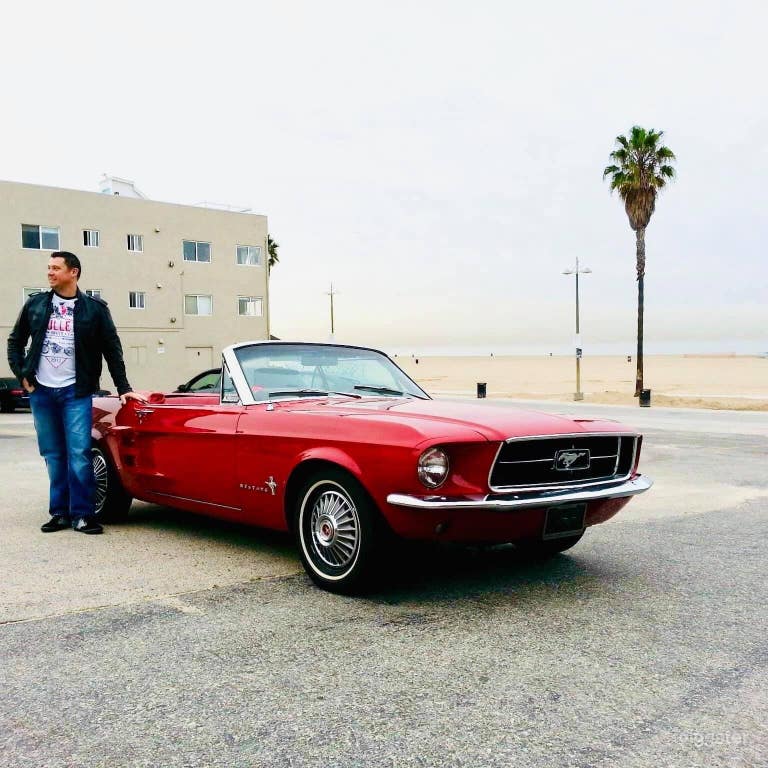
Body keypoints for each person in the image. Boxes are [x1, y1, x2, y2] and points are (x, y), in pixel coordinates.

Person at [7, 251, 145, 534]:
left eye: (56, 268)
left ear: (74, 272)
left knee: (79, 453)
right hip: (42, 391)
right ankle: (59, 512)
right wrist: (23, 376)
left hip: (76, 391)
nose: (50, 272)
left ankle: (83, 514)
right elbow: (15, 341)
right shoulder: (36, 304)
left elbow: (112, 350)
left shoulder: (94, 309)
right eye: (48, 267)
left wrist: (124, 388)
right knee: (53, 454)